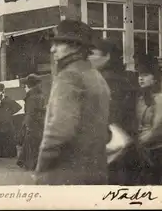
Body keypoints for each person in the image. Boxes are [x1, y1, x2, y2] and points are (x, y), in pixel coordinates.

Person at [35, 20, 111, 185]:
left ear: (75, 46)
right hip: (96, 172)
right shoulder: (96, 76)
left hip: (66, 174)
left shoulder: (69, 76)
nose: (52, 49)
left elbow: (58, 131)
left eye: (58, 44)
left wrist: (41, 170)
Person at [89, 38, 140, 185]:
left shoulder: (109, 80)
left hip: (114, 144)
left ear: (107, 56)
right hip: (121, 143)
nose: (88, 57)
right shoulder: (113, 77)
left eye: (93, 54)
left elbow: (111, 115)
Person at [135, 54, 162, 185]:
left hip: (156, 153)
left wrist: (137, 143)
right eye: (139, 75)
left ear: (155, 79)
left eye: (145, 75)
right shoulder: (141, 99)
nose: (140, 78)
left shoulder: (161, 100)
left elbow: (158, 130)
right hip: (143, 152)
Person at [16, 74, 45, 170]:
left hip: (32, 124)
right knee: (33, 144)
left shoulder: (31, 97)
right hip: (39, 123)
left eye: (25, 86)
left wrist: (26, 125)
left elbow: (30, 112)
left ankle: (30, 165)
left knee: (31, 144)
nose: (24, 88)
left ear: (29, 86)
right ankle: (29, 163)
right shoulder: (39, 95)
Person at [0, 82, 22, 158]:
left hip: (6, 122)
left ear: (2, 91)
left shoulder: (7, 99)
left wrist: (9, 113)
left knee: (8, 138)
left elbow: (18, 107)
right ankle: (1, 154)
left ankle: (9, 154)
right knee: (0, 137)